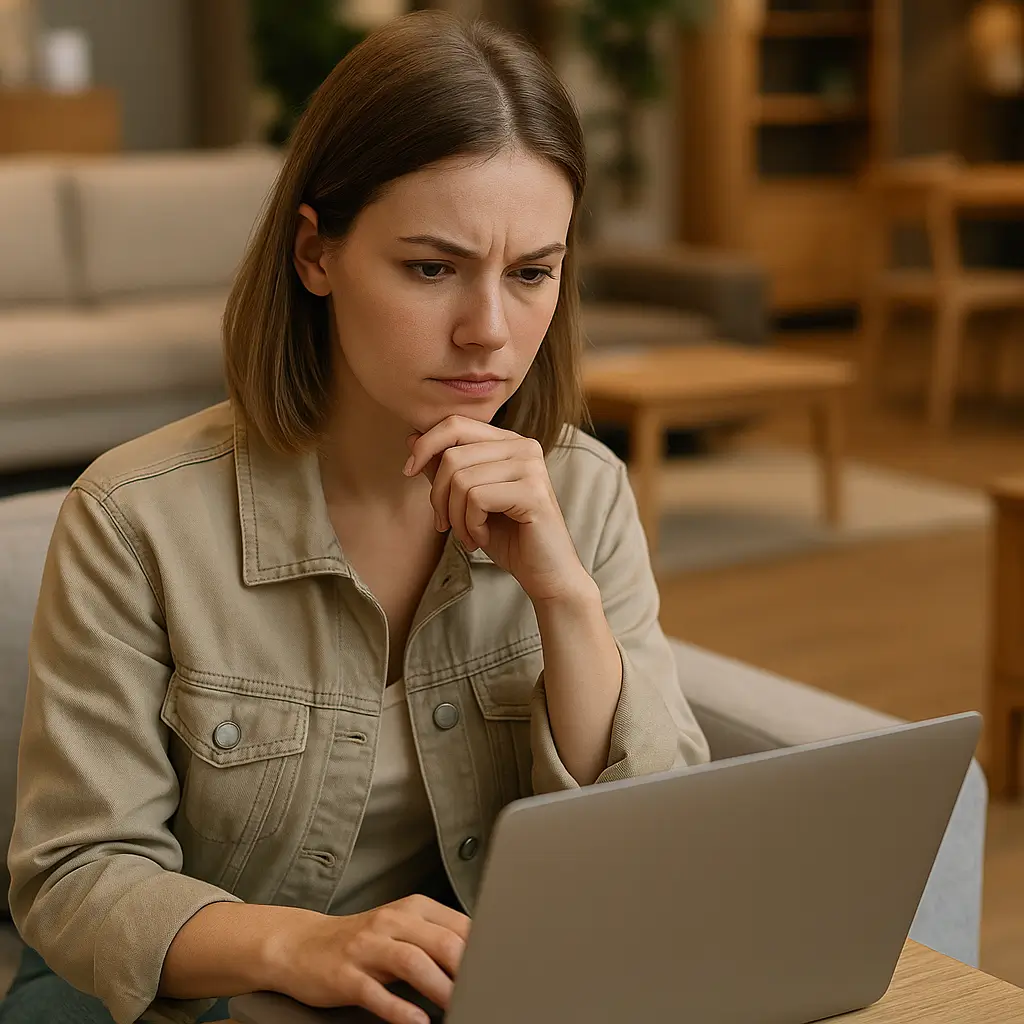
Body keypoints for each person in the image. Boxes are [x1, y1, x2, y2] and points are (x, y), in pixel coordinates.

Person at [2, 11, 709, 1024]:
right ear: (315, 253)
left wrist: (563, 595)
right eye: (431, 268)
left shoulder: (582, 491)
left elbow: (654, 843)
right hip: (179, 1002)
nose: (488, 333)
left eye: (531, 273)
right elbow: (75, 878)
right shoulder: (132, 520)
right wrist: (304, 943)